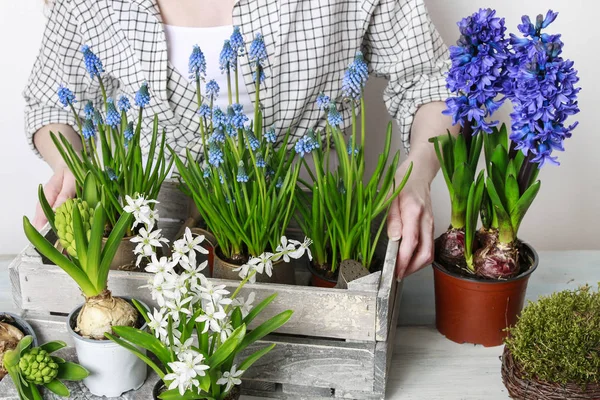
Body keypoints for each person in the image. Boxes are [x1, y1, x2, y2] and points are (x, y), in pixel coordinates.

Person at [25, 0, 459, 280]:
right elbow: (52, 104)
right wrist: (69, 165)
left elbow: (432, 81)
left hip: (306, 223)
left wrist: (418, 173)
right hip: (148, 237)